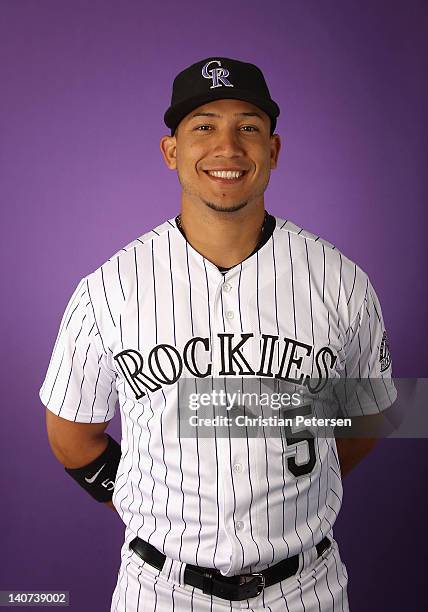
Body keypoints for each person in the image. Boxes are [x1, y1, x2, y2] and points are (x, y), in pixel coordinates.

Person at [39, 57, 396, 611]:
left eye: (248, 126)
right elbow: (71, 438)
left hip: (305, 590)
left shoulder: (342, 283)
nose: (227, 147)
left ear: (272, 150)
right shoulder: (107, 289)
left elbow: (369, 415)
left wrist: (302, 479)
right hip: (158, 590)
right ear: (172, 151)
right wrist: (150, 510)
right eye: (203, 126)